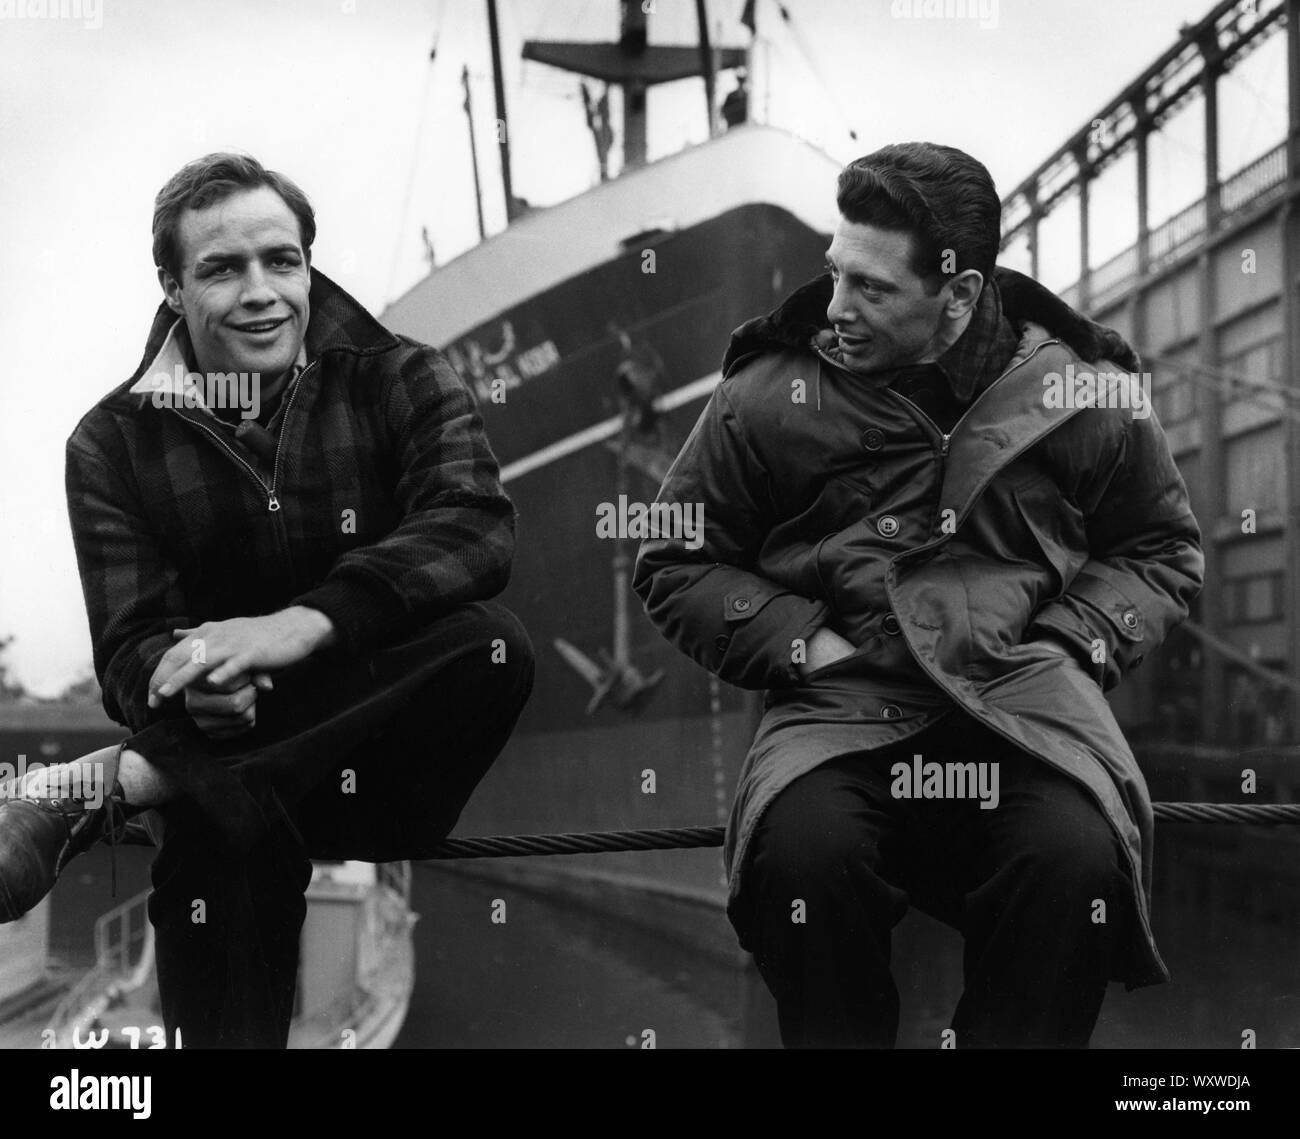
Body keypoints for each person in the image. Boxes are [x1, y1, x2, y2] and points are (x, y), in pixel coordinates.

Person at [633, 141, 1203, 1048]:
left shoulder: (1081, 389)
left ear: (962, 292)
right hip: (844, 710)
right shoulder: (764, 397)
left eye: (872, 289)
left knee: (1078, 865)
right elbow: (672, 558)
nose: (835, 308)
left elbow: (1159, 544)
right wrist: (799, 642)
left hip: (1024, 706)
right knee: (801, 862)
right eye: (834, 274)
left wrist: (1069, 642)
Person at [0, 153, 534, 1048]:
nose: (262, 292)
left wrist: (295, 627)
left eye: (282, 262)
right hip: (226, 799)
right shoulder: (110, 444)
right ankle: (174, 777)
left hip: (384, 778)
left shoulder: (400, 377)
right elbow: (130, 649)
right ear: (171, 286)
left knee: (492, 644)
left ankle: (120, 783)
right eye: (222, 268)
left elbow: (475, 526)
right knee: (223, 840)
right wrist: (193, 681)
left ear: (309, 264)